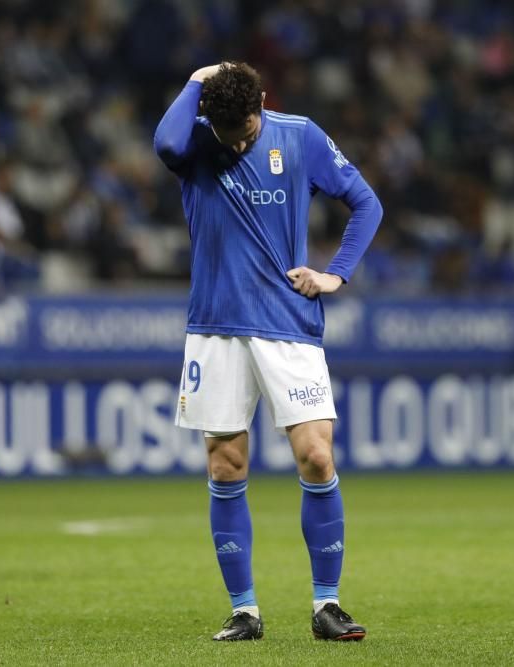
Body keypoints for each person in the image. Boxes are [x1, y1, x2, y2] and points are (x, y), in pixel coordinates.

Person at [154, 62, 382, 641]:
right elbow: (164, 141)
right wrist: (196, 81)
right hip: (217, 324)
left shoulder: (299, 134)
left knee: (317, 456)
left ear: (262, 102)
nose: (241, 140)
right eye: (230, 131)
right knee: (225, 463)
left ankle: (327, 605)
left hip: (287, 321)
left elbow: (366, 204)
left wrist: (336, 275)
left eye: (248, 126)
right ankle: (245, 610)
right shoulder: (198, 141)